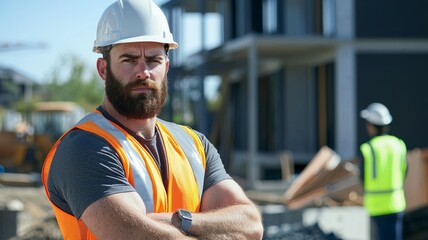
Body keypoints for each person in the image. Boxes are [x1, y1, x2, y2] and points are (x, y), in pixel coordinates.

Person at [41, 0, 264, 239]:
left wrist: (181, 220)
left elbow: (250, 224)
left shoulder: (194, 144)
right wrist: (214, 229)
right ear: (103, 69)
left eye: (153, 60)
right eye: (129, 59)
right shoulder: (84, 147)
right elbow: (133, 234)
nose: (143, 71)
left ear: (166, 67)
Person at [359, 103, 407, 240]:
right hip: (396, 203)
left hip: (376, 206)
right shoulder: (398, 144)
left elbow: (362, 176)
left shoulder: (368, 148)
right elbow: (405, 170)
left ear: (370, 125)